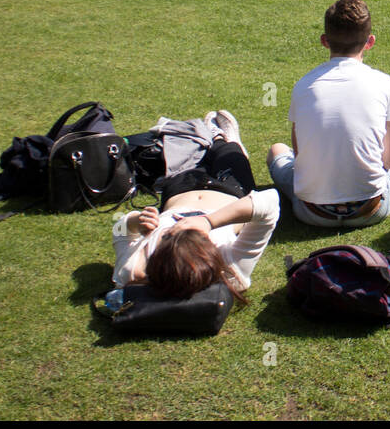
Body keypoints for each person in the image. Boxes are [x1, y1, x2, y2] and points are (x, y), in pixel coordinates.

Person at [266, 0, 390, 228]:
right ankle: (389, 133)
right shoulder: (385, 83)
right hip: (371, 210)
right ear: (370, 42)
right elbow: (389, 160)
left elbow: (298, 153)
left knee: (277, 151)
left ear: (325, 41)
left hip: (311, 211)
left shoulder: (304, 86)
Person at [112, 113, 280, 302]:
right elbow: (269, 202)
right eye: (200, 237)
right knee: (227, 151)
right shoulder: (232, 270)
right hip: (230, 189)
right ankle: (223, 138)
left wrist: (135, 222)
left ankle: (208, 138)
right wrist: (207, 223)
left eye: (166, 236)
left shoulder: (132, 270)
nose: (178, 226)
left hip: (180, 189)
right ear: (210, 256)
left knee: (187, 151)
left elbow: (119, 230)